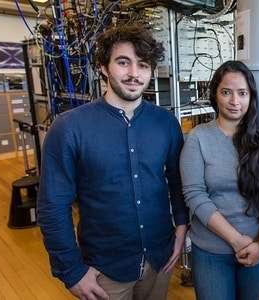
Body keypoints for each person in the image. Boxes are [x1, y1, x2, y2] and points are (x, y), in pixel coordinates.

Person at [37, 24, 189, 300]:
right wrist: (71, 271)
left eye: (143, 65)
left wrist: (181, 228)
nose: (134, 73)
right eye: (123, 62)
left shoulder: (166, 123)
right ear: (104, 67)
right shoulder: (69, 128)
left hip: (160, 258)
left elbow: (177, 180)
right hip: (104, 269)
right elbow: (52, 207)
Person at [179, 60, 259, 300]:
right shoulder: (198, 138)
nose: (234, 101)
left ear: (251, 97)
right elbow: (195, 195)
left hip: (258, 247)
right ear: (215, 95)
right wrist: (237, 241)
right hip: (210, 251)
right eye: (226, 92)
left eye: (242, 93)